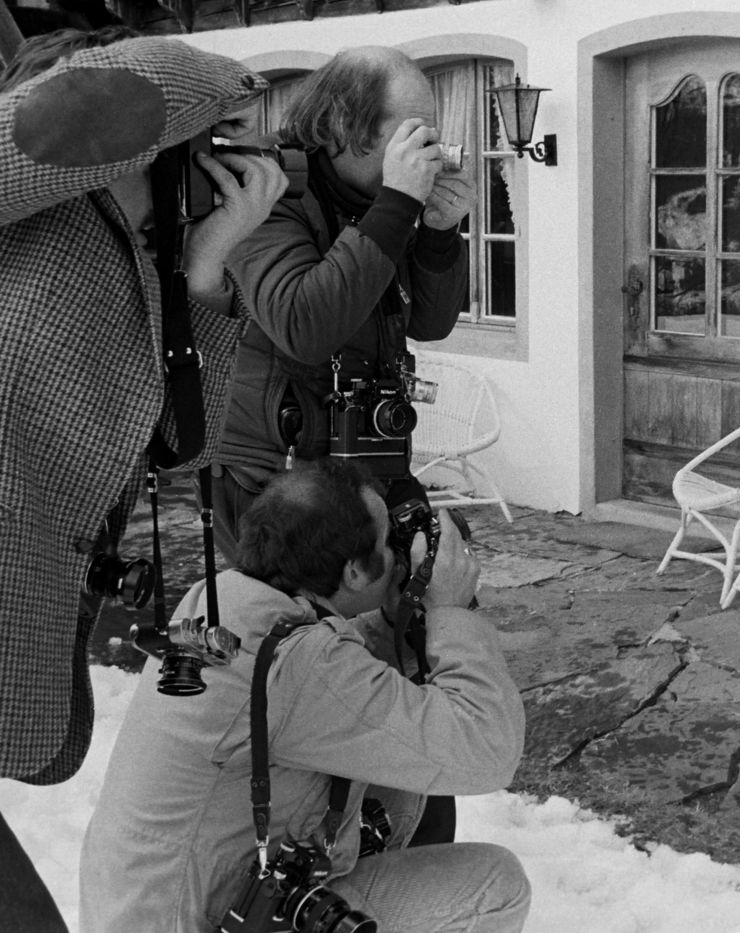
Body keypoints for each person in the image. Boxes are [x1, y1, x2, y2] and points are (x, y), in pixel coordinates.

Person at [0, 28, 286, 932]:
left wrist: (205, 266)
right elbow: (105, 96)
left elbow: (180, 445)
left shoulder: (138, 246)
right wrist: (238, 81)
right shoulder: (24, 203)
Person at [80, 459, 530, 933]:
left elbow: (326, 685)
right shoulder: (297, 664)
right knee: (496, 886)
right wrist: (452, 612)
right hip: (197, 919)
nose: (397, 555)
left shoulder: (220, 601)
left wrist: (392, 620)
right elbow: (487, 750)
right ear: (354, 572)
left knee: (396, 786)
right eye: (387, 543)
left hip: (146, 907)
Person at [210, 45, 473, 561]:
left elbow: (430, 323)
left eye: (430, 133)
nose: (427, 151)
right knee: (312, 615)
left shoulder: (379, 198)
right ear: (341, 125)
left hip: (368, 460)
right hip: (276, 480)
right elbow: (304, 327)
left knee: (430, 587)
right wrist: (397, 205)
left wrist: (439, 234)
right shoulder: (264, 184)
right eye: (410, 132)